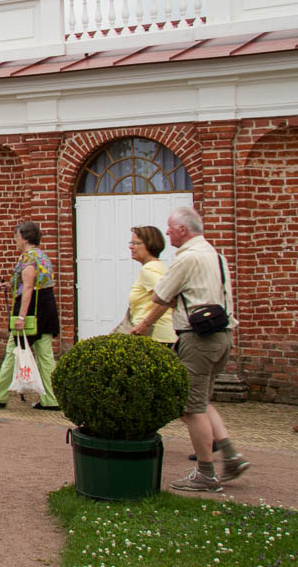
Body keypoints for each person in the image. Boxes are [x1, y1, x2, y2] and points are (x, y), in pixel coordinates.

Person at [131, 206, 249, 492]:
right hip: (222, 336)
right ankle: (231, 455)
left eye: (170, 228)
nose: (167, 232)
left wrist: (146, 322)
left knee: (191, 408)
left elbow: (160, 294)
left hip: (198, 339)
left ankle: (206, 474)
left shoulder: (187, 259)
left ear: (183, 230)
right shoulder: (216, 256)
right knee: (203, 401)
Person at [0, 221, 61, 411]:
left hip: (32, 312)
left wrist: (22, 317)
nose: (15, 240)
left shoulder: (28, 258)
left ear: (24, 238)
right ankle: (52, 398)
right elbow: (33, 284)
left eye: (16, 236)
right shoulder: (42, 256)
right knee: (45, 357)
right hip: (47, 310)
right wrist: (10, 285)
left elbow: (29, 287)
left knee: (12, 352)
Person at [115, 226, 175, 343]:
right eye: (131, 243)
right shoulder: (160, 266)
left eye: (136, 243)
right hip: (163, 336)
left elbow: (167, 297)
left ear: (149, 244)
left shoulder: (149, 269)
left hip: (155, 338)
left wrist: (144, 324)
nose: (131, 247)